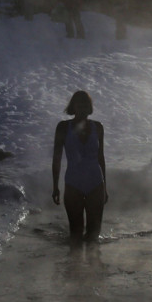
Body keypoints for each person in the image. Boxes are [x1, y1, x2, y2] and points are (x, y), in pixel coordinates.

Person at [52, 91, 107, 258]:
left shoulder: (98, 127)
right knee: (75, 235)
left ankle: (93, 269)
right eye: (79, 104)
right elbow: (57, 158)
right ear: (73, 106)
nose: (82, 107)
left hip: (95, 183)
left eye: (85, 104)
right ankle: (74, 269)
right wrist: (55, 186)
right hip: (73, 184)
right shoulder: (63, 127)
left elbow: (100, 157)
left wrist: (105, 187)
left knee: (93, 236)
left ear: (90, 107)